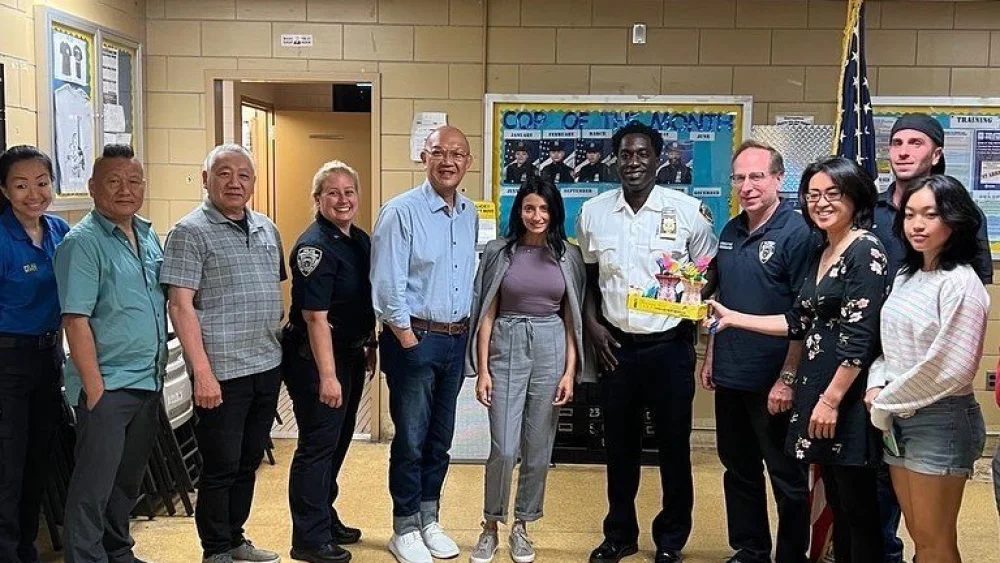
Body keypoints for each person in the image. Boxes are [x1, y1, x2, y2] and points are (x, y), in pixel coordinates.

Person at [707, 156, 889, 563]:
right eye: (814, 195)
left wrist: (826, 397)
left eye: (832, 194)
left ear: (855, 196)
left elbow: (859, 338)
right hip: (813, 389)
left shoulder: (864, 249)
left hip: (842, 397)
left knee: (855, 508)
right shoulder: (826, 248)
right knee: (840, 504)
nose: (821, 203)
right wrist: (734, 318)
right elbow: (799, 320)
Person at [577, 121, 718, 563]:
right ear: (615, 159)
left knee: (674, 446)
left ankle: (671, 538)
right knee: (619, 448)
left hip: (669, 346)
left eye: (642, 154)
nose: (633, 162)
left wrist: (696, 291)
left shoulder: (688, 211)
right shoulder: (594, 213)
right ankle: (619, 533)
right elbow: (586, 280)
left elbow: (710, 268)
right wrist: (593, 326)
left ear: (659, 159)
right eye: (625, 154)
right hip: (615, 346)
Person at [870, 112, 994, 563]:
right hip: (900, 417)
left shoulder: (961, 283)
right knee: (920, 537)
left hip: (939, 419)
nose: (918, 224)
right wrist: (876, 384)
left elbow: (951, 367)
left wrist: (885, 401)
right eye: (911, 215)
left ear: (955, 221)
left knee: (937, 542)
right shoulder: (908, 274)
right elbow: (887, 344)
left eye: (931, 215)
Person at [161, 144, 284, 563]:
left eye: (244, 175)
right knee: (220, 467)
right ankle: (215, 550)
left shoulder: (267, 228)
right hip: (221, 372)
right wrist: (203, 373)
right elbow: (180, 305)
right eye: (224, 173)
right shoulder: (189, 232)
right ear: (205, 178)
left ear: (253, 181)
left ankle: (235, 539)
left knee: (248, 462)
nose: (235, 182)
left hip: (266, 366)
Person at [701, 141, 816, 563]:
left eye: (757, 176)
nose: (747, 186)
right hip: (732, 372)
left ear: (778, 179)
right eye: (740, 178)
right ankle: (750, 548)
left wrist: (788, 377)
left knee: (786, 476)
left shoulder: (798, 232)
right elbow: (723, 300)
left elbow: (804, 314)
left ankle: (789, 555)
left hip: (775, 380)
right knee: (739, 470)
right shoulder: (731, 230)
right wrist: (712, 355)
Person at [465, 177, 589, 563]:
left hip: (551, 345)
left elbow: (573, 317)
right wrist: (483, 369)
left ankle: (522, 524)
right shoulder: (499, 251)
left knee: (538, 449)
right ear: (519, 211)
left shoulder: (568, 255)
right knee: (503, 446)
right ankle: (490, 524)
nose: (537, 216)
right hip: (506, 342)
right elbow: (487, 310)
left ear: (555, 213)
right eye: (529, 208)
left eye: (545, 209)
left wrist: (570, 371)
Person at [371, 125, 478, 563]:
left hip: (455, 339)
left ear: (468, 162)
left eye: (457, 154)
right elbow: (385, 281)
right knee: (411, 439)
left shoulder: (469, 211)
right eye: (439, 152)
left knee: (440, 439)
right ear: (423, 157)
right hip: (413, 338)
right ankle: (404, 526)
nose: (448, 161)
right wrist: (406, 336)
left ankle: (429, 518)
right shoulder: (401, 211)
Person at [55, 144, 166, 563]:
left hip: (147, 380)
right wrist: (96, 388)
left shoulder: (147, 233)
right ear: (93, 187)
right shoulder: (81, 243)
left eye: (134, 181)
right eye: (114, 181)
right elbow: (75, 319)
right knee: (93, 486)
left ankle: (117, 551)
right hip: (109, 387)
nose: (125, 190)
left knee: (125, 482)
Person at [282, 161, 377, 563]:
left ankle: (324, 515)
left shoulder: (358, 238)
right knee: (317, 446)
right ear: (318, 199)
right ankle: (308, 538)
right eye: (333, 193)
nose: (343, 200)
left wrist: (368, 344)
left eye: (349, 191)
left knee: (337, 442)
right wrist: (328, 376)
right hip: (317, 358)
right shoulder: (314, 247)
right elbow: (315, 316)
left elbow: (361, 300)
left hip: (350, 352)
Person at [0, 146, 70, 563]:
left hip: (49, 358)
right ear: (5, 191)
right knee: (8, 465)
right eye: (21, 185)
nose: (33, 194)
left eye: (42, 183)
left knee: (37, 460)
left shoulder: (60, 230)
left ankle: (26, 548)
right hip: (7, 362)